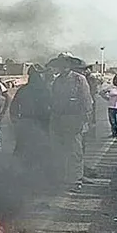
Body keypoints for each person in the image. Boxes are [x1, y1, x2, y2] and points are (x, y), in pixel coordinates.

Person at [49, 54, 92, 191]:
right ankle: (63, 178)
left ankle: (76, 180)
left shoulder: (79, 80)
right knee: (60, 150)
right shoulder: (57, 81)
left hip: (74, 120)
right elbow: (53, 101)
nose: (63, 66)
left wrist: (85, 120)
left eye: (66, 63)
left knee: (75, 151)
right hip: (58, 119)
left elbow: (86, 102)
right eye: (61, 64)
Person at [10, 65, 51, 162]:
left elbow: (53, 105)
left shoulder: (46, 90)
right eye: (35, 75)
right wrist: (14, 118)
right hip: (27, 121)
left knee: (43, 147)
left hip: (42, 122)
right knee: (22, 147)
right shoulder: (24, 90)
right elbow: (14, 105)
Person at [102, 74, 117, 139]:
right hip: (111, 106)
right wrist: (107, 98)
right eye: (115, 79)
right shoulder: (110, 87)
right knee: (113, 122)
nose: (116, 81)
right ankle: (114, 134)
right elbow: (102, 92)